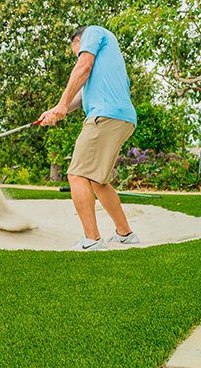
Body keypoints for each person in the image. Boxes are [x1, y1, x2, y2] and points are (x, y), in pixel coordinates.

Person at [39, 25, 138, 251]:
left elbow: (83, 66)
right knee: (97, 180)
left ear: (78, 40)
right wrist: (57, 109)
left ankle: (91, 240)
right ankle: (125, 234)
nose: (78, 54)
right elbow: (82, 97)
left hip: (104, 116)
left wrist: (62, 104)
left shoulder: (93, 32)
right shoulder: (110, 62)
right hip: (122, 118)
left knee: (77, 174)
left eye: (76, 49)